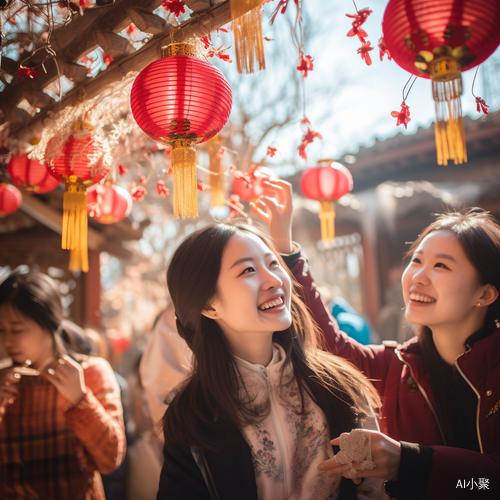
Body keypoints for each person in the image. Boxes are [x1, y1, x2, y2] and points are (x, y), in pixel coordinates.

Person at [157, 180, 387, 499]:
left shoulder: (340, 386)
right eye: (248, 271)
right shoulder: (191, 416)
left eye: (273, 263)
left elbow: (373, 487)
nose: (273, 280)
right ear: (209, 305)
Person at [275, 199, 500, 499]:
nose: (417, 277)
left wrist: (409, 462)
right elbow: (330, 345)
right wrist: (286, 251)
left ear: (484, 294)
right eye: (417, 261)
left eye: (441, 265)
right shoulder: (396, 368)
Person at [0, 270, 127, 499]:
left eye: (17, 329)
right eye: (1, 330)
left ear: (50, 322)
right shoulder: (3, 381)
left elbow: (111, 461)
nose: (7, 340)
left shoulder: (89, 373)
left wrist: (80, 400)